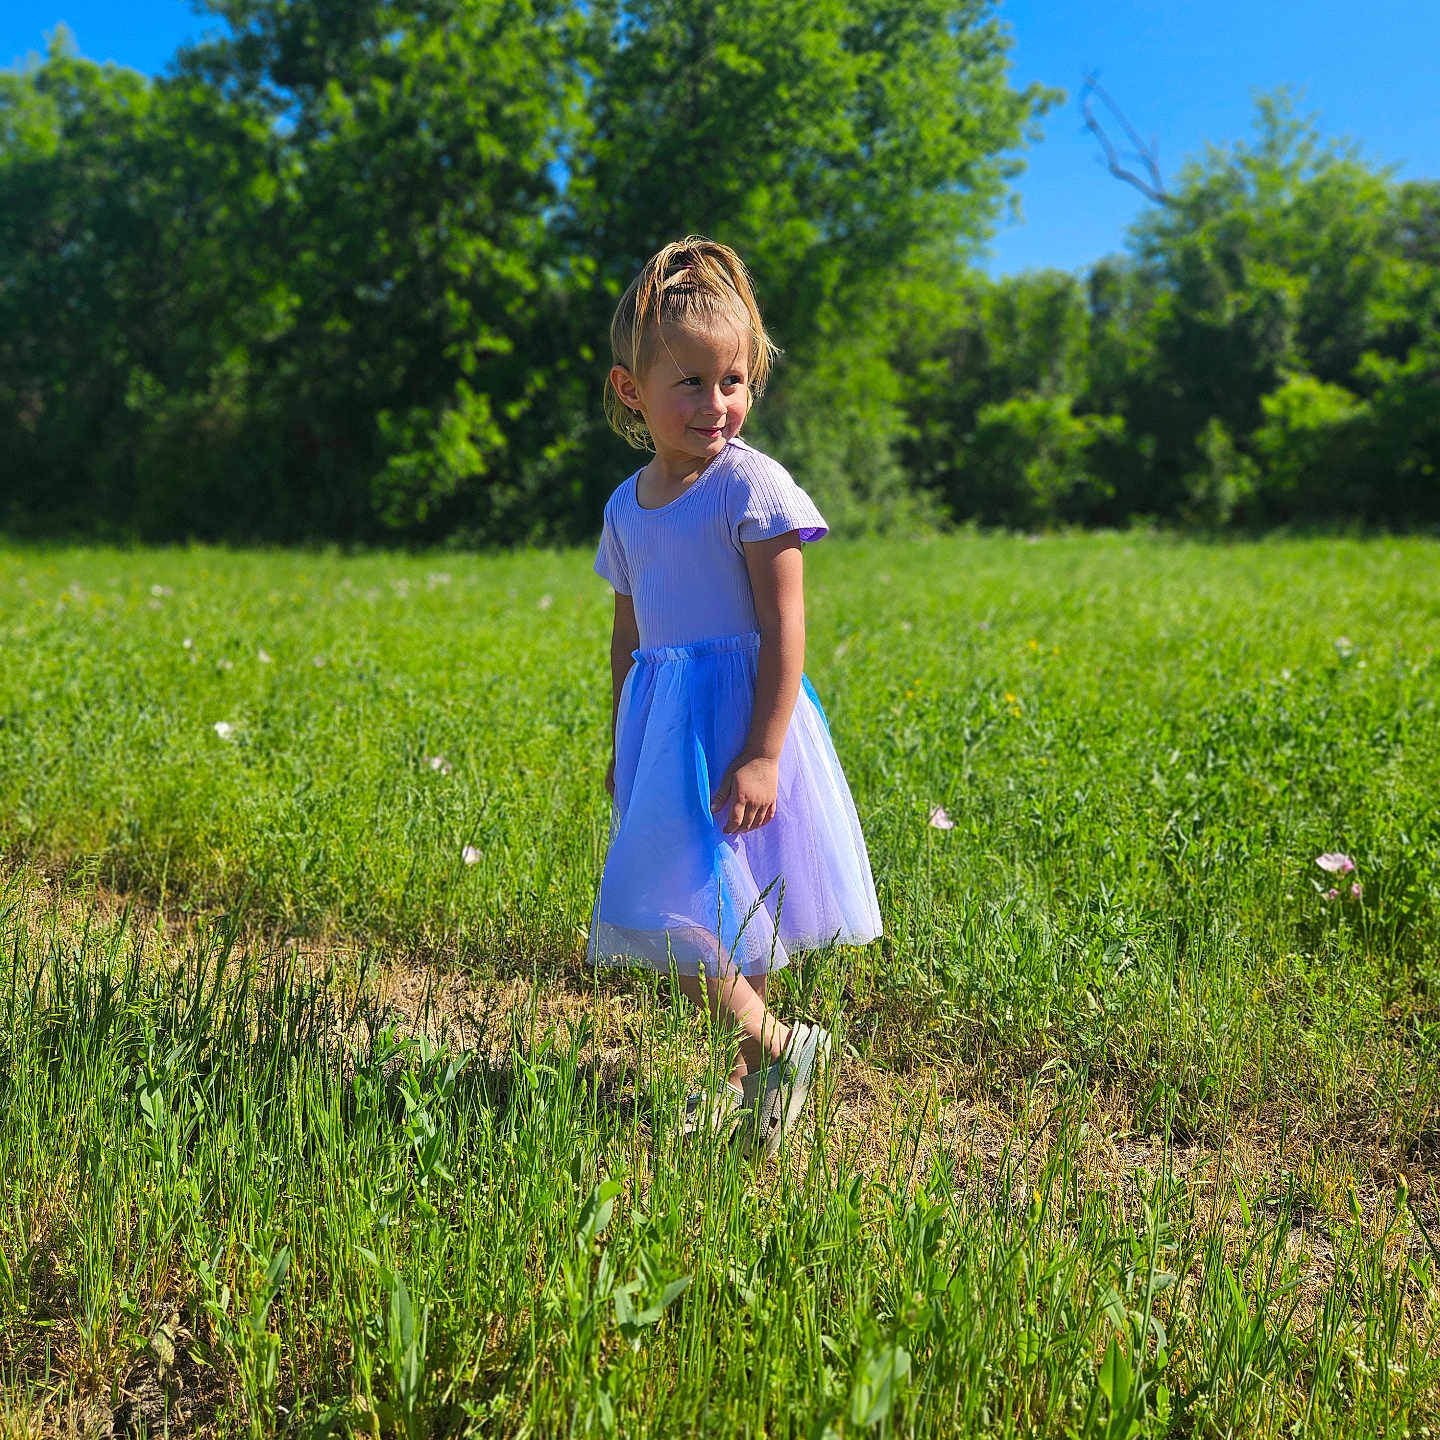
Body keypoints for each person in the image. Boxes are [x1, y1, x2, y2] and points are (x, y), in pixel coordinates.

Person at [588, 235, 882, 1157]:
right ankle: (764, 1075)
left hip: (742, 716)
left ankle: (780, 1048)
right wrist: (618, 745)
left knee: (678, 907)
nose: (716, 404)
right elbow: (628, 638)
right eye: (689, 383)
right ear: (631, 389)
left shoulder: (750, 484)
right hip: (666, 727)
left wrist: (764, 748)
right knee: (705, 905)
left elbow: (785, 624)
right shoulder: (627, 506)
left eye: (733, 381)